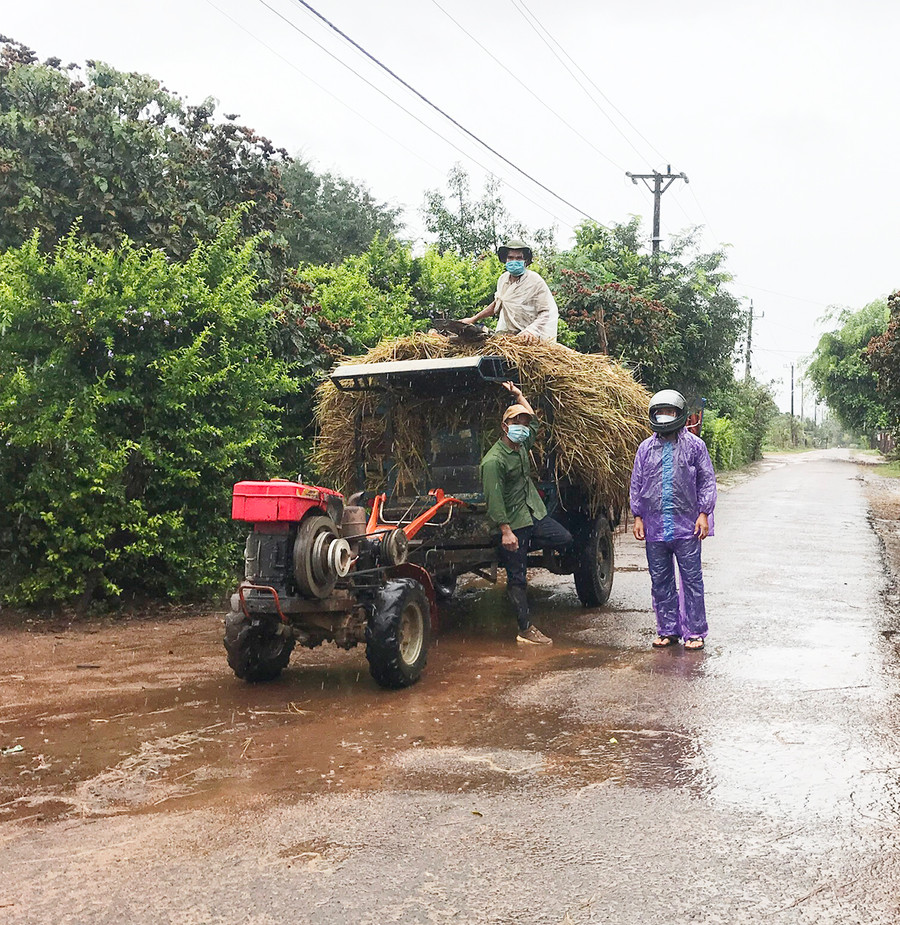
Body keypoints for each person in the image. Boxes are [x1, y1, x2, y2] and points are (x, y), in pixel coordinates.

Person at [480, 381, 572, 645]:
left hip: (532, 514)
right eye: (517, 422)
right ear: (504, 426)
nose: (522, 427)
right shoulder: (493, 461)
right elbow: (494, 500)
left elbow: (536, 426)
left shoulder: (520, 447)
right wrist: (506, 532)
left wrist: (519, 396)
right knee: (517, 578)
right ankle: (525, 629)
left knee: (564, 538)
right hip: (513, 524)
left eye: (523, 422)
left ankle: (528, 548)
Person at [629, 389, 717, 651]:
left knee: (692, 580)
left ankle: (695, 632)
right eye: (660, 412)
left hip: (687, 526)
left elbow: (707, 481)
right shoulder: (646, 448)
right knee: (660, 580)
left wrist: (704, 514)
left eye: (669, 412)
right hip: (655, 527)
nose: (664, 416)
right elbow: (637, 483)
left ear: (679, 414)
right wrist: (637, 516)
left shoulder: (694, 446)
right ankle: (668, 630)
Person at [461, 240, 559, 343]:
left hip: (531, 337)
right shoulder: (503, 280)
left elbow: (545, 312)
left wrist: (531, 330)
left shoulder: (534, 281)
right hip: (510, 336)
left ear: (525, 260)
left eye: (518, 258)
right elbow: (498, 303)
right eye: (510, 258)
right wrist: (473, 319)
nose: (514, 261)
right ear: (505, 260)